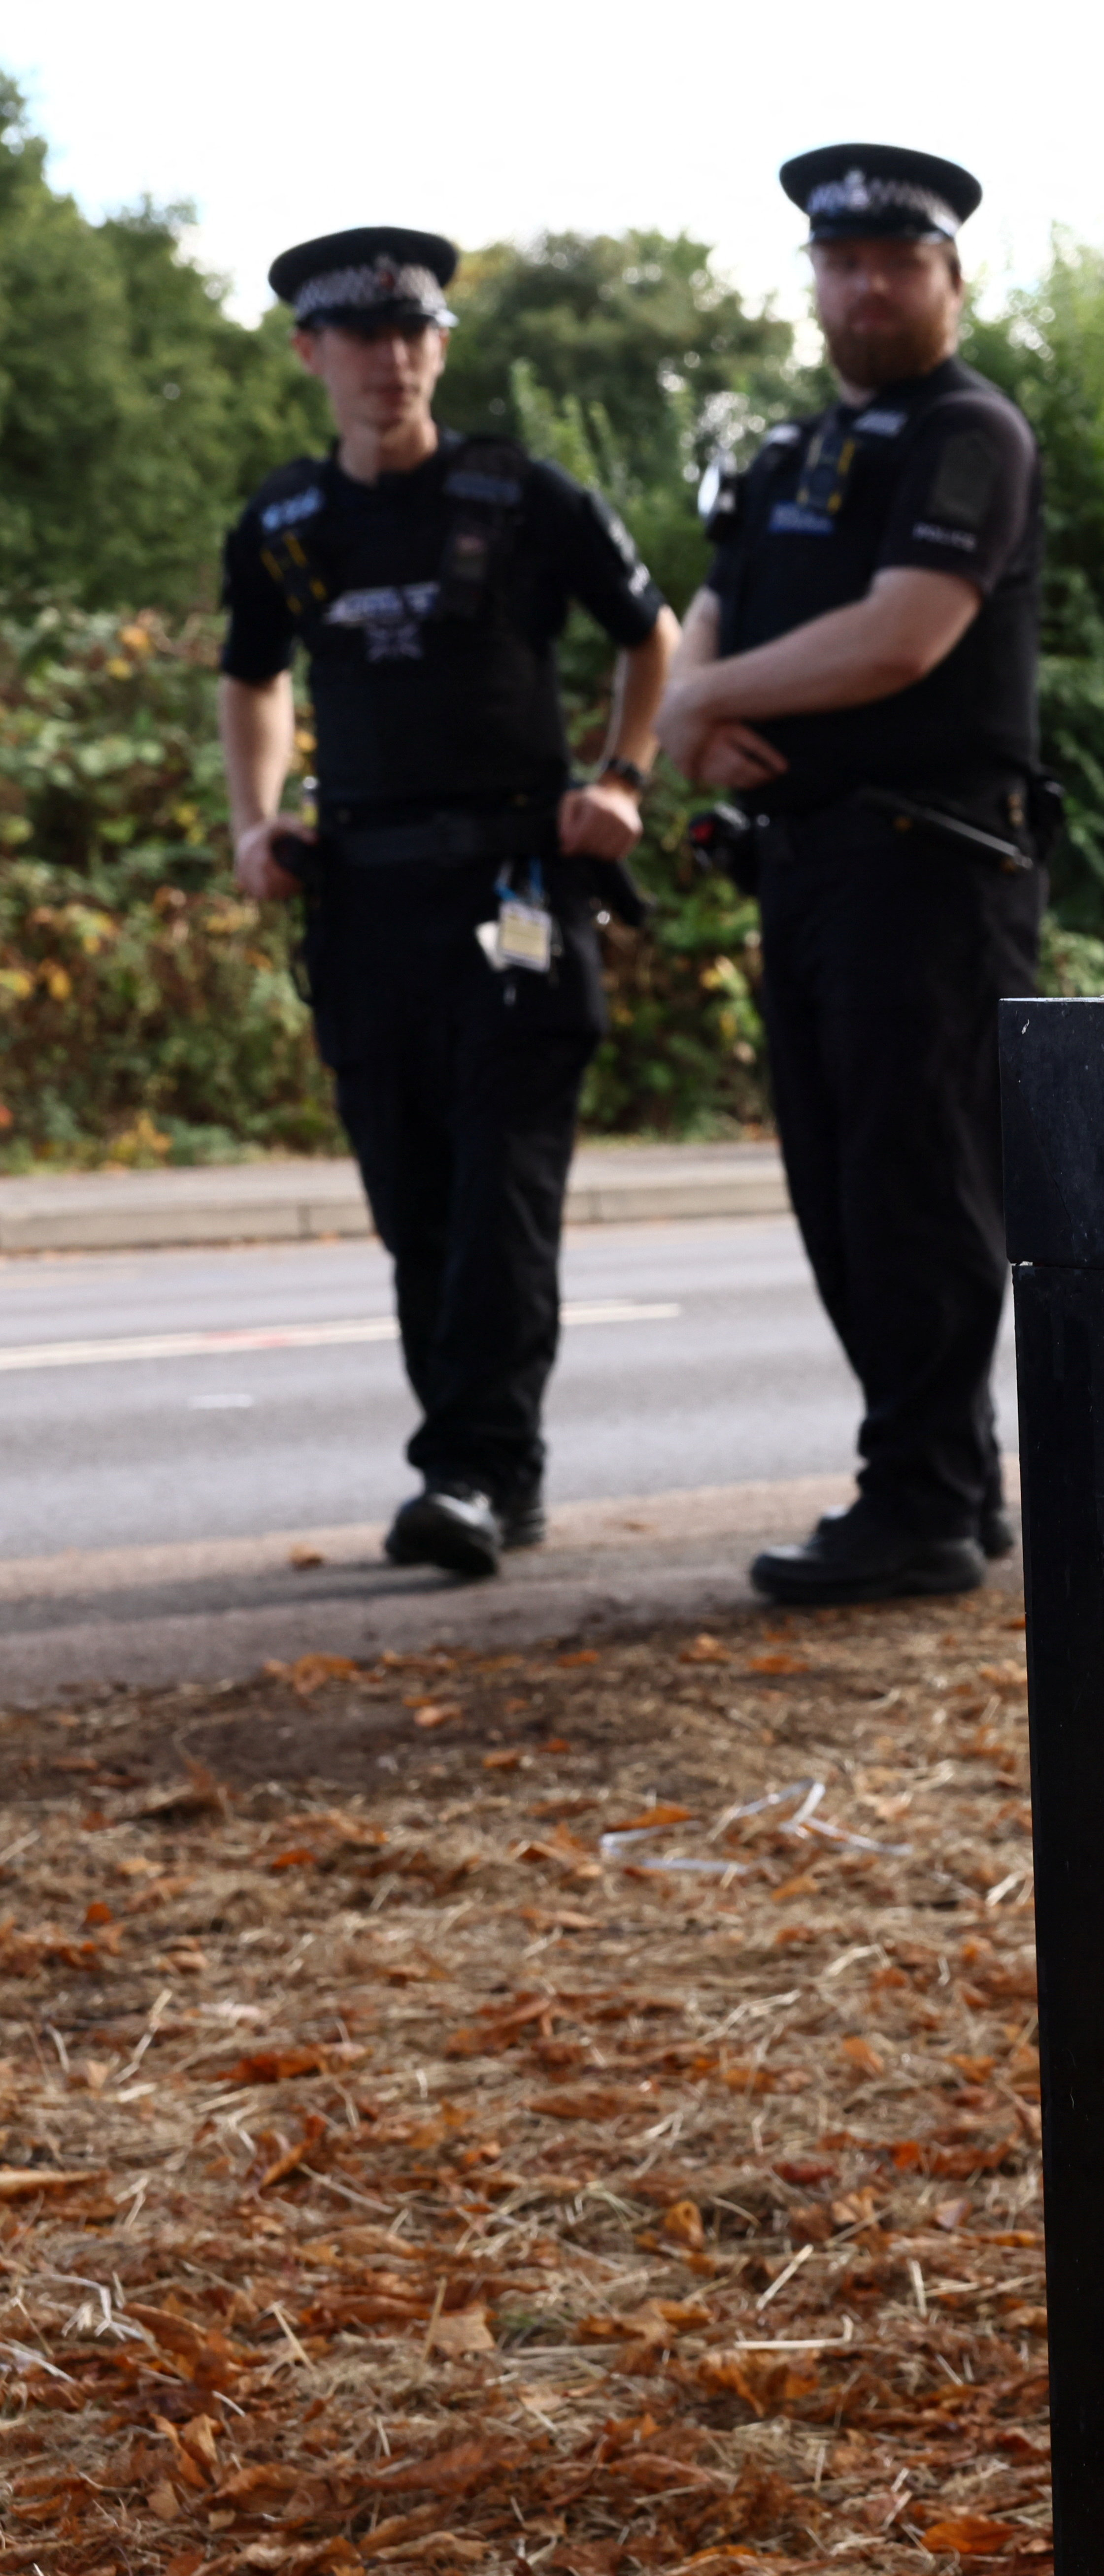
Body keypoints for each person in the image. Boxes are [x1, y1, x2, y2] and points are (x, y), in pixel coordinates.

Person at [219, 228, 676, 1579]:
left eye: (414, 332)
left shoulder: (520, 494)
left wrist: (625, 779)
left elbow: (650, 632)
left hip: (517, 898)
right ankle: (478, 1462)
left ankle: (476, 1469)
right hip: (363, 906)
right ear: (313, 352)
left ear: (440, 345)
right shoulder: (283, 525)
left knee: (497, 1198)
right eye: (362, 337)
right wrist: (257, 820)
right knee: (414, 1200)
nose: (392, 359)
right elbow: (253, 676)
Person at [655, 145, 1043, 1608]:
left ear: (950, 278)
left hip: (927, 863)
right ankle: (950, 1478)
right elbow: (709, 604)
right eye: (843, 262)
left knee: (915, 1182)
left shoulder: (967, 434)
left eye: (897, 262)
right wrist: (694, 711)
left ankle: (923, 1503)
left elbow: (904, 635)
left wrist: (700, 706)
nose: (866, 286)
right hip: (813, 865)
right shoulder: (784, 453)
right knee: (840, 1183)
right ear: (813, 279)